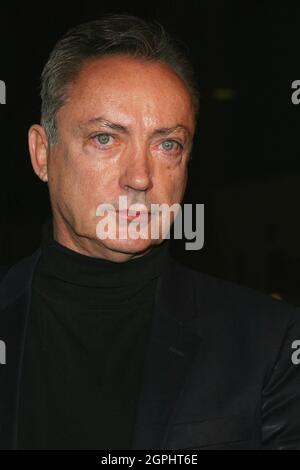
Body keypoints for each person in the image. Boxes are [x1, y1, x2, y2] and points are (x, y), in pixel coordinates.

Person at [0, 14, 299, 450]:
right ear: (42, 154)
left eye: (167, 145)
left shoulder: (268, 343)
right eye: (105, 138)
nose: (140, 177)